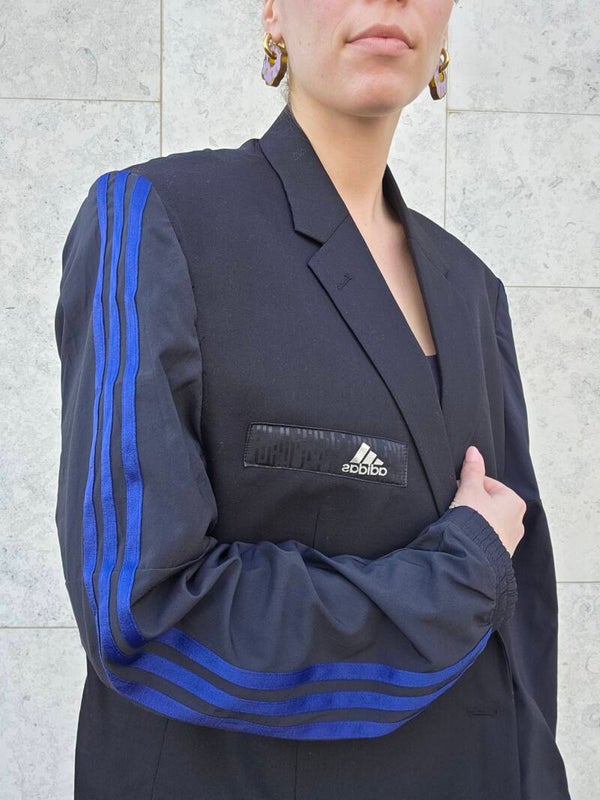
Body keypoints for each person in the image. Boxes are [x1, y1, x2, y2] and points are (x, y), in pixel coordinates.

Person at [54, 1, 572, 798]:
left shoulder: (472, 288)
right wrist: (455, 578)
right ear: (272, 13)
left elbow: (518, 632)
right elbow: (142, 614)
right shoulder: (157, 218)